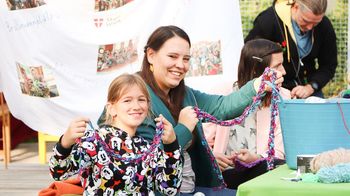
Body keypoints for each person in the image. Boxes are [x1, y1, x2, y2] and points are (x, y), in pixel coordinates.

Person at [129, 25, 284, 195]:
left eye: (186, 59)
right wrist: (184, 128)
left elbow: (222, 107)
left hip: (196, 187)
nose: (180, 65)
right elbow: (149, 160)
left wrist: (257, 84)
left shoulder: (184, 93)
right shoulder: (134, 96)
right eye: (173, 56)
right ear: (151, 55)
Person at [49, 73, 183, 195]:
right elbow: (59, 173)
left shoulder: (147, 148)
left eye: (141, 100)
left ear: (148, 106)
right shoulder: (94, 142)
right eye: (127, 100)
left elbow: (169, 188)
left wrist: (171, 146)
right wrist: (65, 144)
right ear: (111, 109)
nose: (136, 106)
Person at [206, 39, 290, 189]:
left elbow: (279, 153)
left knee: (274, 168)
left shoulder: (283, 97)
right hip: (224, 173)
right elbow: (204, 139)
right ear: (257, 71)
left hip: (262, 171)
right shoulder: (224, 93)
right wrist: (211, 157)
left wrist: (256, 159)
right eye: (277, 66)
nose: (284, 71)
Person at [245, 0, 337, 99]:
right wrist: (269, 84)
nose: (310, 27)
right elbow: (251, 57)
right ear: (295, 7)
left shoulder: (324, 25)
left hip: (309, 87)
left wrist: (311, 86)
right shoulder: (268, 21)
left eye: (315, 23)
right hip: (275, 87)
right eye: (305, 21)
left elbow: (329, 65)